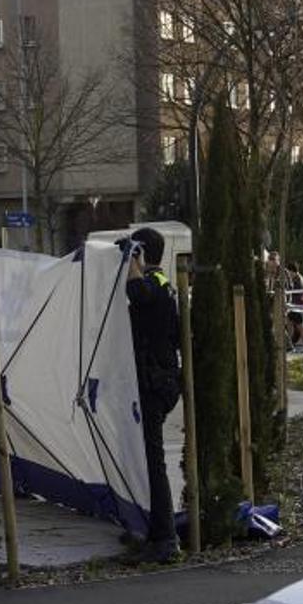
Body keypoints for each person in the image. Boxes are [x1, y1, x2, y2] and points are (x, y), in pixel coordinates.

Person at [124, 227, 182, 564]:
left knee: (155, 462)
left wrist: (133, 259)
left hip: (155, 383)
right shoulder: (161, 284)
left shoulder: (154, 284)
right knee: (148, 460)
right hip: (158, 381)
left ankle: (165, 539)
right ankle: (156, 532)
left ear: (144, 254)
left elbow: (137, 292)